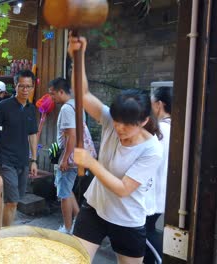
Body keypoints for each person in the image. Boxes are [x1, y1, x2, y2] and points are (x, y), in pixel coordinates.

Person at [68, 36, 163, 264]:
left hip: (127, 218)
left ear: (143, 121)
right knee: (74, 259)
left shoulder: (152, 149)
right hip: (95, 208)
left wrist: (91, 163)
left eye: (127, 124)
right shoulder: (112, 120)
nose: (118, 127)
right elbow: (83, 94)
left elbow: (123, 189)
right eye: (117, 120)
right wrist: (77, 57)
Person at [0, 70, 38, 227]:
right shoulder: (4, 106)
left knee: (10, 200)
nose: (25, 90)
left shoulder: (31, 108)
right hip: (6, 160)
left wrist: (34, 160)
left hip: (22, 161)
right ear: (15, 86)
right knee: (13, 201)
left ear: (32, 87)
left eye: (28, 86)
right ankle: (6, 236)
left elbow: (33, 135)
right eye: (21, 86)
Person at [48, 77, 83, 234]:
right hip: (76, 157)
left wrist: (64, 159)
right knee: (68, 190)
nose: (52, 97)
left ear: (61, 92)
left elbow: (71, 136)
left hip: (69, 158)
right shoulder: (77, 106)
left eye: (53, 94)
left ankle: (67, 229)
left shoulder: (67, 109)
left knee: (63, 193)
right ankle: (79, 222)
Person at [144, 86, 172, 263]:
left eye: (151, 102)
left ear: (159, 104)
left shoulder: (160, 130)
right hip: (164, 191)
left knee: (145, 232)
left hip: (152, 193)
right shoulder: (178, 129)